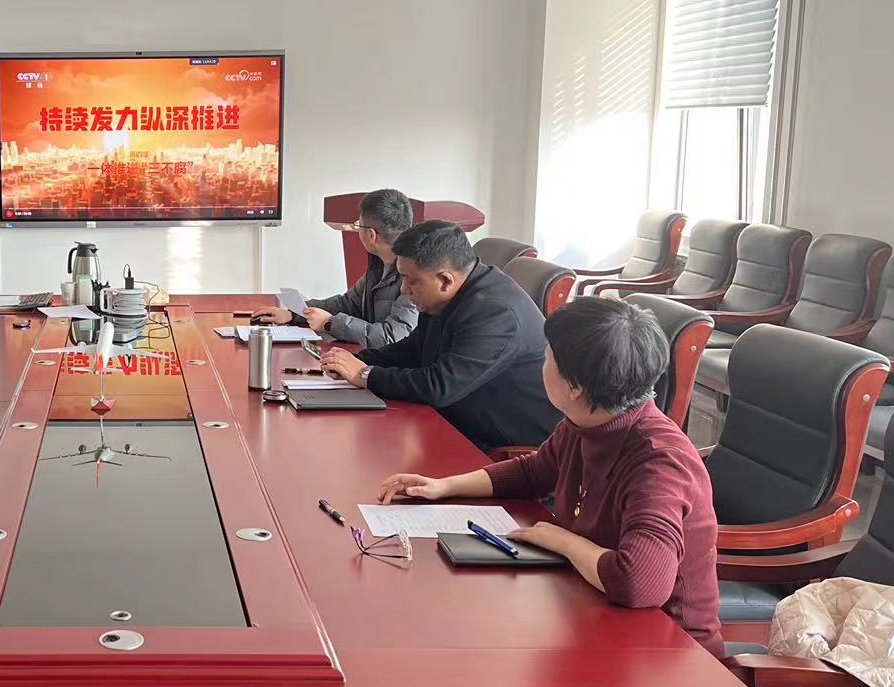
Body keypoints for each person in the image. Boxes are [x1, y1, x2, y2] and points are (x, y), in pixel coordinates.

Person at [377, 296, 722, 654]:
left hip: (666, 649)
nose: (541, 363)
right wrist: (444, 486)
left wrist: (562, 541)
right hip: (590, 608)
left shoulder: (659, 462)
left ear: (575, 387)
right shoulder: (589, 421)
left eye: (547, 357)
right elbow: (534, 471)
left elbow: (641, 583)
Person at [321, 220, 559, 450]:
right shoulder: (448, 295)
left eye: (411, 281)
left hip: (503, 445)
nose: (403, 289)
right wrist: (354, 361)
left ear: (445, 280)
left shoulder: (495, 312)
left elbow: (439, 386)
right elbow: (413, 349)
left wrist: (364, 375)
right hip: (462, 419)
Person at [253, 188, 418, 347]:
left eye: (358, 225)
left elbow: (391, 337)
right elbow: (347, 303)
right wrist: (294, 313)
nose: (356, 230)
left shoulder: (413, 277)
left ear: (371, 235)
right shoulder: (378, 265)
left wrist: (329, 323)